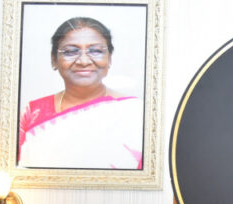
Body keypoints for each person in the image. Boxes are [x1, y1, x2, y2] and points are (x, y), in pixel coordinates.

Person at [18, 17, 143, 169]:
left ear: (109, 58)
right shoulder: (33, 113)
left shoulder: (135, 113)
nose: (84, 61)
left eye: (96, 51)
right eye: (70, 52)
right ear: (54, 60)